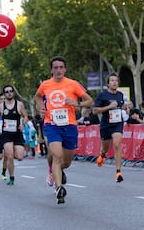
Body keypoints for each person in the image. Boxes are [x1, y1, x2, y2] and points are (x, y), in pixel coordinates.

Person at [35, 56, 94, 204]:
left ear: (65, 69)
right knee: (56, 155)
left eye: (61, 67)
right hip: (52, 124)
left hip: (70, 125)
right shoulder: (45, 85)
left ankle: (59, 172)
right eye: (55, 68)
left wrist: (77, 104)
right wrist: (40, 108)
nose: (58, 70)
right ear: (51, 70)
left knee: (66, 162)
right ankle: (59, 188)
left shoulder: (73, 84)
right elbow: (37, 97)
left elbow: (90, 101)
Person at [0, 84, 29, 186]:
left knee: (20, 157)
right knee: (10, 156)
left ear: (13, 93)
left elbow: (25, 116)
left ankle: (14, 154)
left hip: (17, 134)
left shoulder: (19, 105)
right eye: (7, 92)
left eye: (11, 91)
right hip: (6, 134)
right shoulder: (0, 107)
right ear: (4, 94)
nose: (9, 93)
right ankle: (11, 177)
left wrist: (23, 124)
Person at [93, 72, 125, 183]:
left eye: (116, 81)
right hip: (106, 125)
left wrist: (126, 109)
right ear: (108, 83)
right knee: (105, 149)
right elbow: (95, 110)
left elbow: (122, 106)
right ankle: (102, 155)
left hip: (117, 123)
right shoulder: (102, 95)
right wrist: (109, 106)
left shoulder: (120, 95)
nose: (114, 82)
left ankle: (118, 172)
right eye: (112, 80)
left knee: (117, 144)